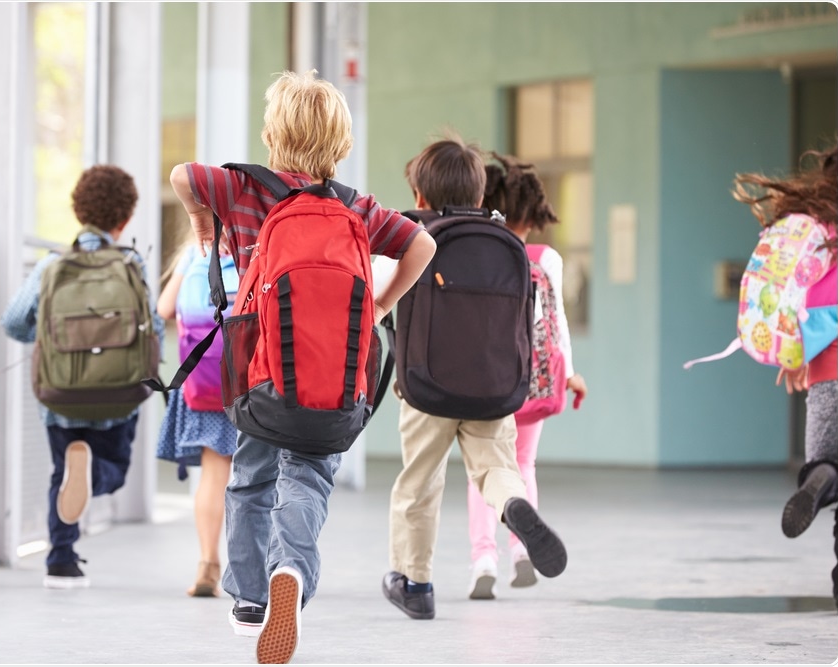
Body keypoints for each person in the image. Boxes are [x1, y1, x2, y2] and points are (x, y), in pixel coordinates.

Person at [168, 70, 436, 663]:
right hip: (336, 379)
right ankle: (290, 569)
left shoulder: (238, 189)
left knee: (251, 477)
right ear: (340, 145)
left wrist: (201, 222)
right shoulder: (356, 208)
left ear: (272, 134)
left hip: (261, 375)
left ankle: (248, 599)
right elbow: (423, 245)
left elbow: (182, 176)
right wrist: (379, 307)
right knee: (309, 478)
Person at [383, 137, 568, 622]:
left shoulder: (414, 236)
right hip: (492, 386)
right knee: (495, 468)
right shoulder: (504, 241)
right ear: (481, 195)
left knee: (418, 484)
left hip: (426, 387)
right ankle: (512, 504)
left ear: (420, 196)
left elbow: (381, 295)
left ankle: (415, 583)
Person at [1, 165, 164, 589]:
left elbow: (14, 322)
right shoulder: (131, 263)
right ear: (125, 217)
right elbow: (155, 329)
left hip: (62, 392)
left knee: (62, 473)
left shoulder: (52, 265)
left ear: (78, 211)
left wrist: (51, 339)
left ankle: (61, 560)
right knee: (113, 468)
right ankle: (93, 477)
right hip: (119, 391)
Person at [464, 154, 589, 598]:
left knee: (482, 471)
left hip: (486, 379)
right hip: (533, 381)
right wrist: (570, 374)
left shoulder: (481, 251)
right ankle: (522, 550)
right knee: (522, 465)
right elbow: (556, 321)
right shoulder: (547, 257)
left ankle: (483, 558)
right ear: (534, 213)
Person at [733, 143, 838, 601]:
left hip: (824, 372)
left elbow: (807, 303)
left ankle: (821, 477)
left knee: (829, 461)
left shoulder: (814, 233)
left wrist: (796, 354)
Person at [155, 243, 239, 598]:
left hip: (204, 383)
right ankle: (265, 567)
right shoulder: (256, 247)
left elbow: (164, 308)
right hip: (252, 384)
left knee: (213, 476)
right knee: (265, 476)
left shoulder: (191, 256)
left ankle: (208, 563)